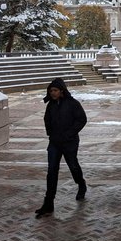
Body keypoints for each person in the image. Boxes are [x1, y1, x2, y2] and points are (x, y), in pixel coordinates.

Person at [35, 78, 87, 218]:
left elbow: (82, 119)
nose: (53, 93)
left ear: (61, 91)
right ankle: (48, 203)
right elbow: (47, 119)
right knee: (52, 171)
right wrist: (50, 133)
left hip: (69, 142)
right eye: (51, 91)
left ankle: (81, 184)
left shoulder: (73, 104)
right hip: (55, 143)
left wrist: (69, 134)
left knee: (73, 166)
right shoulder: (50, 105)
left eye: (55, 91)